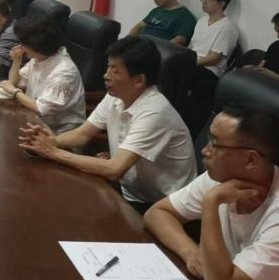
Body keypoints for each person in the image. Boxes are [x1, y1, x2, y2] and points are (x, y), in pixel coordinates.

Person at [19, 36, 196, 212]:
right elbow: (82, 134)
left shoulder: (154, 112)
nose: (106, 76)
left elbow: (115, 168)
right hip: (128, 189)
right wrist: (51, 141)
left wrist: (53, 152)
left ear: (139, 80)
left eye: (115, 71)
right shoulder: (116, 95)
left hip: (160, 206)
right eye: (108, 67)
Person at [144, 106, 279, 280]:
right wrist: (190, 252)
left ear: (250, 160)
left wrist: (210, 202)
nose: (205, 150)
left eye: (215, 143)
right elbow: (157, 213)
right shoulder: (221, 178)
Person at [0, 15, 86, 133]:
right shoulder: (39, 58)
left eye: (23, 43)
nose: (20, 47)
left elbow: (41, 109)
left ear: (36, 44)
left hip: (61, 130)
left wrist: (15, 92)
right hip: (36, 119)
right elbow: (15, 82)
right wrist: (16, 61)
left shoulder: (63, 73)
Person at [186, 0, 240, 136]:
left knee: (179, 72)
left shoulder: (227, 27)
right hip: (194, 64)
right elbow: (191, 47)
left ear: (221, 3)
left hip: (210, 70)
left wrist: (187, 62)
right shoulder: (202, 21)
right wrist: (184, 58)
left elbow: (213, 59)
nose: (204, 2)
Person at [128, 0, 196, 46]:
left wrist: (154, 49)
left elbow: (180, 40)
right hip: (140, 45)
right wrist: (128, 40)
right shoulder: (156, 11)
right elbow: (139, 26)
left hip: (158, 50)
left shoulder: (185, 16)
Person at [254, 12, 279, 79]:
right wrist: (253, 69)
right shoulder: (274, 46)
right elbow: (260, 67)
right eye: (276, 31)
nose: (277, 36)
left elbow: (267, 72)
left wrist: (271, 74)